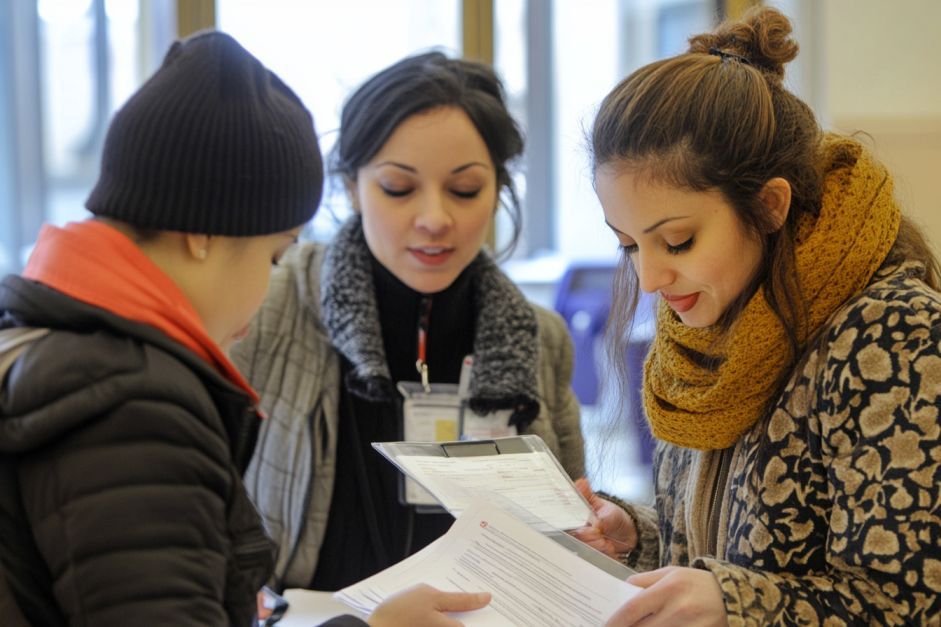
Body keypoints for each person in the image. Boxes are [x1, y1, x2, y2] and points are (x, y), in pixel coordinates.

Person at [0, 32, 489, 626]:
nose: (267, 288)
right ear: (204, 233)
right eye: (275, 256)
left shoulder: (43, 339)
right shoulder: (135, 404)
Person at [573, 6, 941, 626]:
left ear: (770, 206)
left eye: (679, 240)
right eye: (628, 245)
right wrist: (637, 536)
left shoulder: (894, 336)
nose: (651, 280)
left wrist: (732, 604)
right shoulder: (700, 327)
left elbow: (910, 604)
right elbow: (740, 543)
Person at [231, 51, 586, 593]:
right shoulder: (264, 310)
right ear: (351, 187)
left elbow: (574, 538)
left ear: (498, 190)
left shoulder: (539, 339)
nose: (435, 219)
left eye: (465, 190)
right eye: (398, 188)